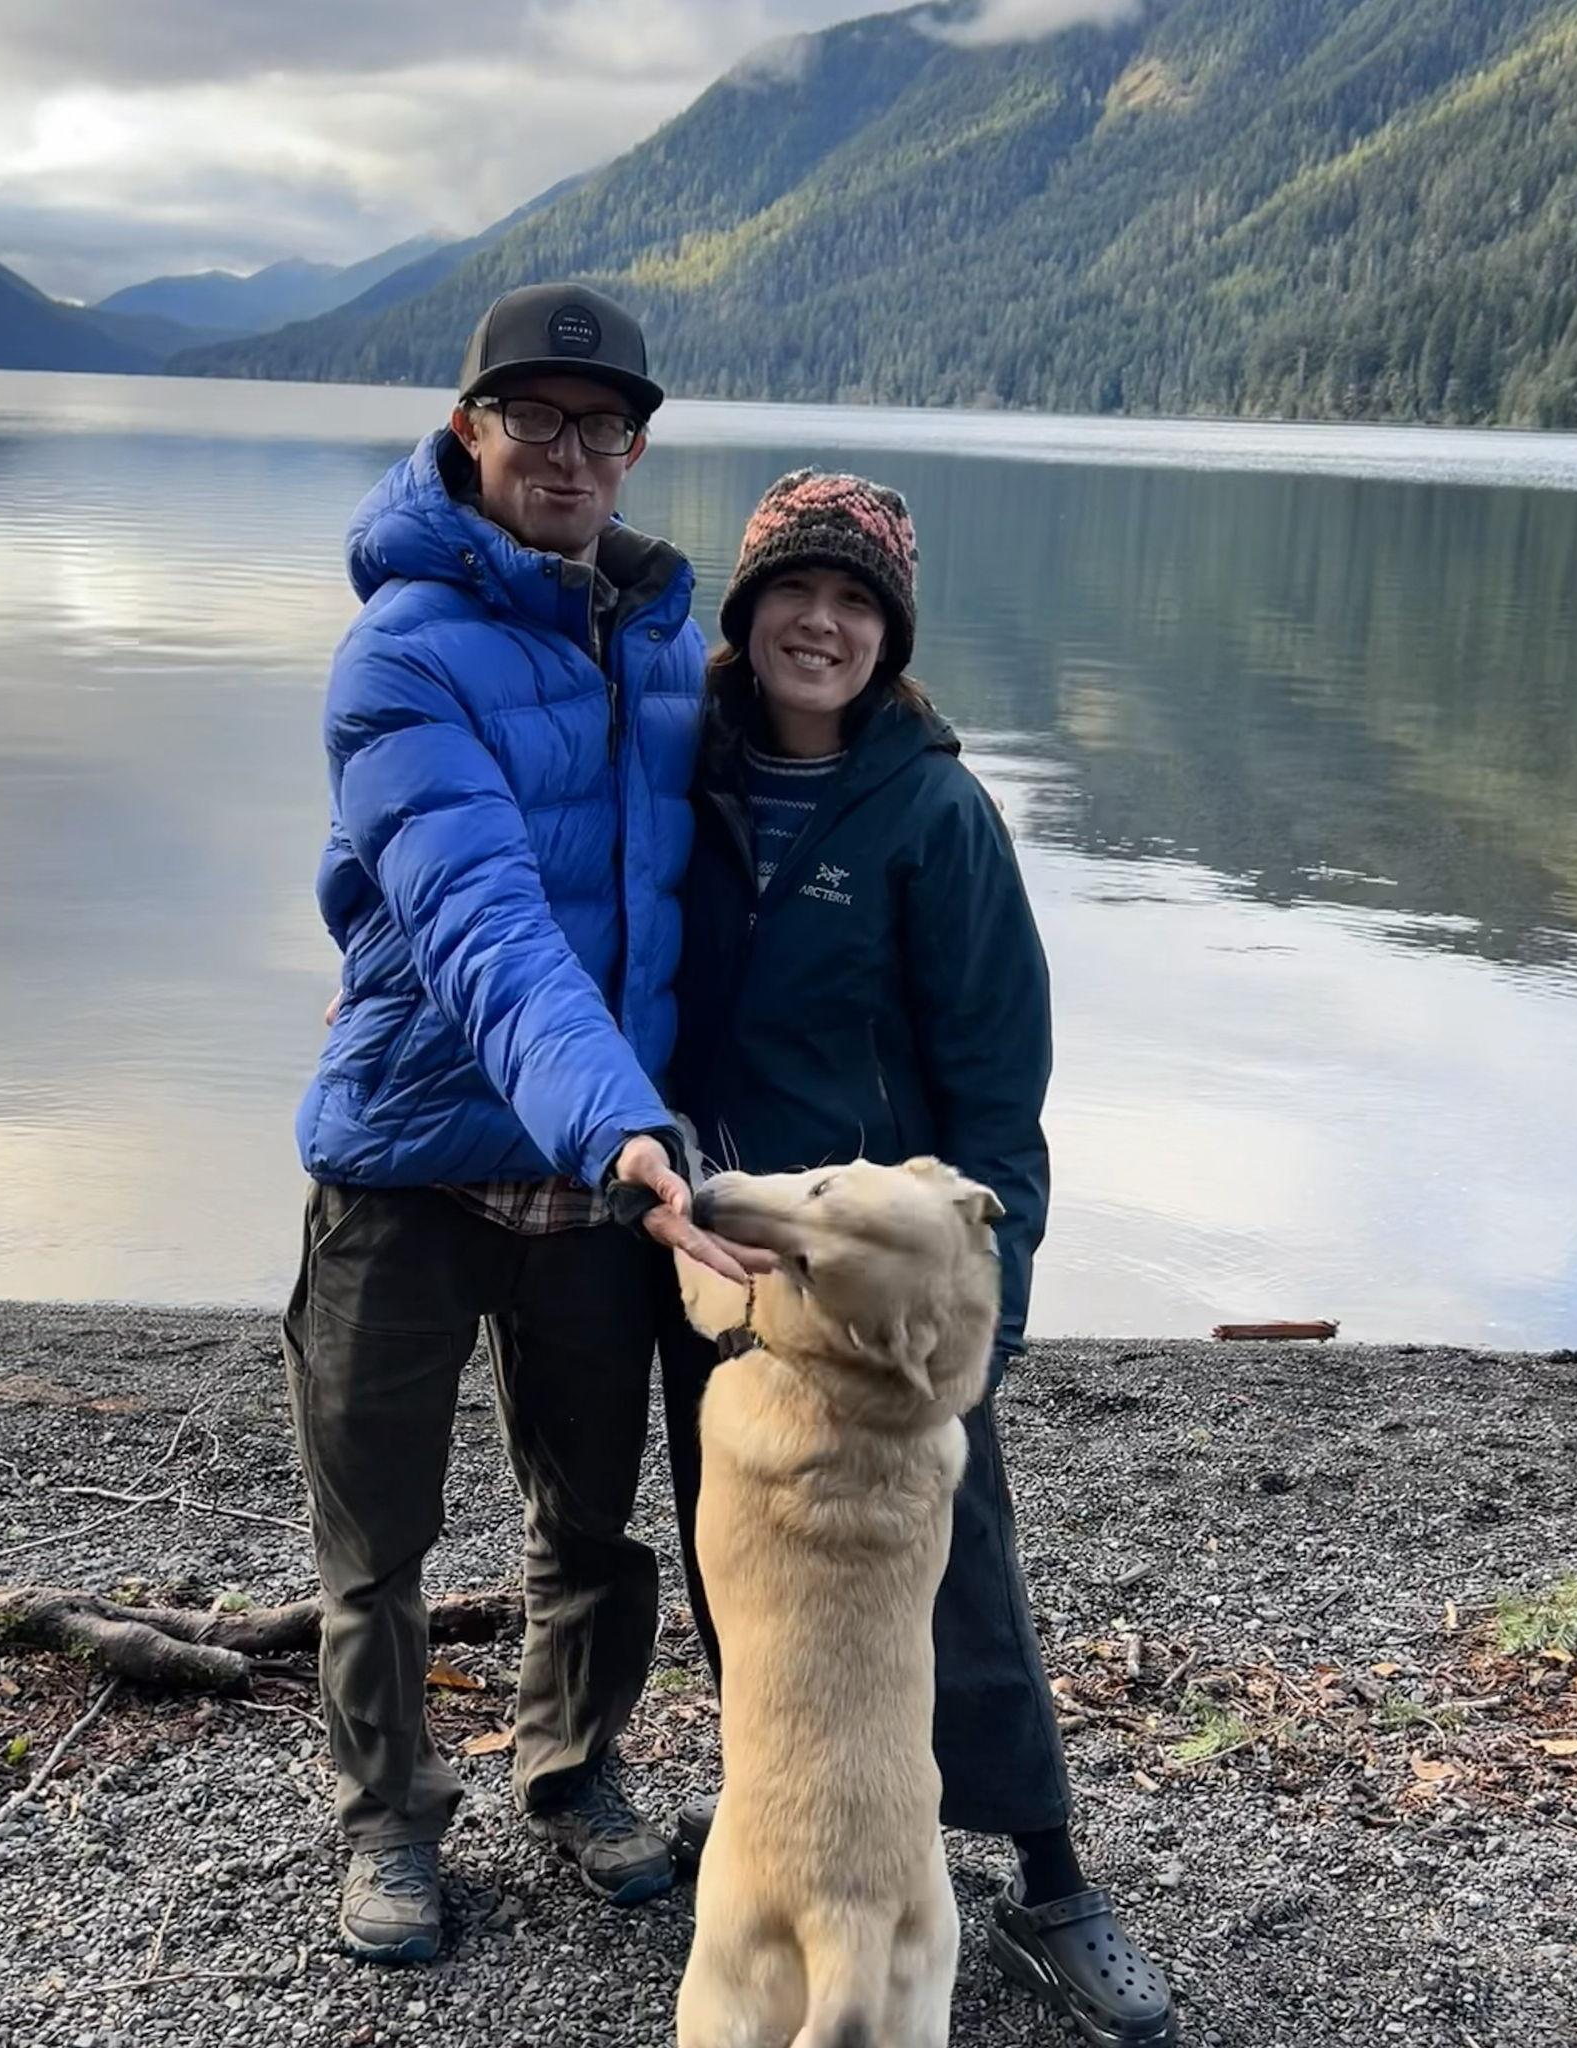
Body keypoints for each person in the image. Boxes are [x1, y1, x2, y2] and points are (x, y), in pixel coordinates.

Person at [659, 471, 1181, 2044]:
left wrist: (982, 1334)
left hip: (890, 1304)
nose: (821, 622)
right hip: (724, 1261)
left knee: (965, 1593)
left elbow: (998, 1106)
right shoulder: (679, 777)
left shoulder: (938, 814)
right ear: (744, 618)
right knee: (739, 1573)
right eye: (792, 595)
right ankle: (782, 1833)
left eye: (857, 602)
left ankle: (1052, 1878)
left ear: (890, 639)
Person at [283, 281, 766, 1968]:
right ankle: (393, 1821)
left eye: (604, 426)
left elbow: (762, 811)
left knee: (594, 1513)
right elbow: (483, 925)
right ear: (470, 428)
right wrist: (630, 1132)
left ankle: (573, 1772)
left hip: (596, 1172)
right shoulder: (400, 651)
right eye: (537, 418)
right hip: (414, 1163)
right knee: (380, 1534)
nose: (572, 453)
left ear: (636, 451)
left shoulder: (655, 641)